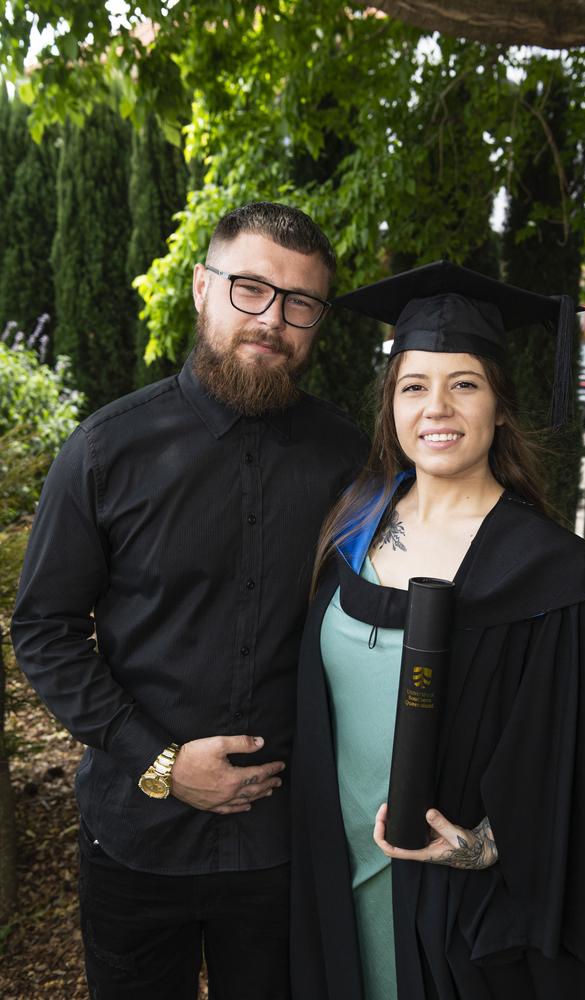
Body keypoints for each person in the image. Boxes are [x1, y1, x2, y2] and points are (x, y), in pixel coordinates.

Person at [11, 201, 368, 1000]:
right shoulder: (106, 450)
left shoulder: (349, 459)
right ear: (203, 289)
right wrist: (162, 763)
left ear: (317, 322)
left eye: (300, 303)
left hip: (285, 846)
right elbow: (44, 630)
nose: (272, 320)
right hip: (136, 838)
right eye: (250, 288)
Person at [290, 260, 585, 1000]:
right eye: (414, 385)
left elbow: (575, 771)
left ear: (499, 408)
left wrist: (483, 849)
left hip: (456, 913)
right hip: (333, 872)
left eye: (466, 384)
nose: (437, 408)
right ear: (391, 403)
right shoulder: (353, 522)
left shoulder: (553, 576)